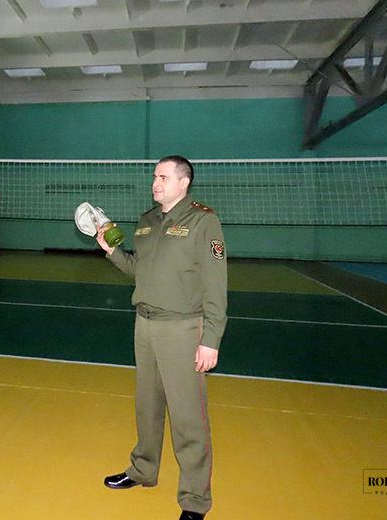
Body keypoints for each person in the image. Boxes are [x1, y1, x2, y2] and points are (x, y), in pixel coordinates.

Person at [97, 155, 227, 520]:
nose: (155, 183)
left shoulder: (203, 220)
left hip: (182, 329)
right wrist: (112, 252)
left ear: (184, 182)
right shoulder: (146, 221)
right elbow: (139, 270)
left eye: (163, 177)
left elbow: (216, 285)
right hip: (145, 325)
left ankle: (195, 500)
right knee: (147, 407)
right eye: (154, 177)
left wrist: (211, 338)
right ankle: (143, 469)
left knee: (188, 419)